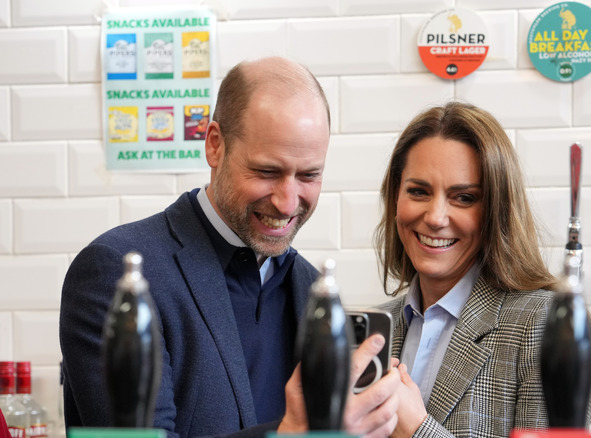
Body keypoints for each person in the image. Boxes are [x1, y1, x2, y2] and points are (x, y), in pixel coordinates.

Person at [59, 57, 400, 438]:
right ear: (215, 145)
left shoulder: (308, 285)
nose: (288, 203)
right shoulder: (113, 273)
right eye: (267, 171)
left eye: (309, 175)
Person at [374, 102, 591, 437]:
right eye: (419, 191)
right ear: (395, 197)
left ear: (496, 211)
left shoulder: (542, 325)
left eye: (464, 198)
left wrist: (417, 429)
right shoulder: (375, 328)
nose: (435, 217)